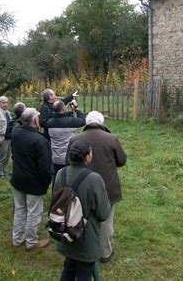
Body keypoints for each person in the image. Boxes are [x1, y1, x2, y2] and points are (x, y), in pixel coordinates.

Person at [66, 111, 127, 263]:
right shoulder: (111, 138)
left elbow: (68, 160)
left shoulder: (76, 138)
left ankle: (81, 249)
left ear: (87, 122)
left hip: (80, 186)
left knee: (81, 217)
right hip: (107, 186)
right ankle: (105, 253)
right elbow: (122, 160)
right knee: (105, 219)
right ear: (102, 123)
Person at [54, 140, 111, 280]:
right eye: (91, 152)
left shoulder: (60, 174)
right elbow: (103, 213)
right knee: (85, 272)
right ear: (87, 157)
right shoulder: (94, 179)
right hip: (86, 236)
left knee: (69, 267)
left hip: (65, 232)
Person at [10, 107, 52, 250]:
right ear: (35, 120)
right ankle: (31, 242)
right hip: (33, 182)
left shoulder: (16, 133)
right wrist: (46, 181)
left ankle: (17, 239)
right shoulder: (40, 140)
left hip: (18, 178)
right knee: (34, 212)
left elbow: (14, 154)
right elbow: (45, 167)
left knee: (20, 209)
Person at [46, 100, 86, 178]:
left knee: (57, 177)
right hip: (68, 157)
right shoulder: (70, 121)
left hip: (55, 157)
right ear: (64, 108)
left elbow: (59, 117)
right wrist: (76, 110)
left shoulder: (49, 122)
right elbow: (82, 121)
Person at [0, 96, 12, 178]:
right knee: (1, 157)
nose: (6, 104)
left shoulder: (8, 113)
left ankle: (4, 171)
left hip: (9, 138)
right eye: (3, 102)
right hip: (2, 138)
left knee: (7, 157)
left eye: (7, 102)